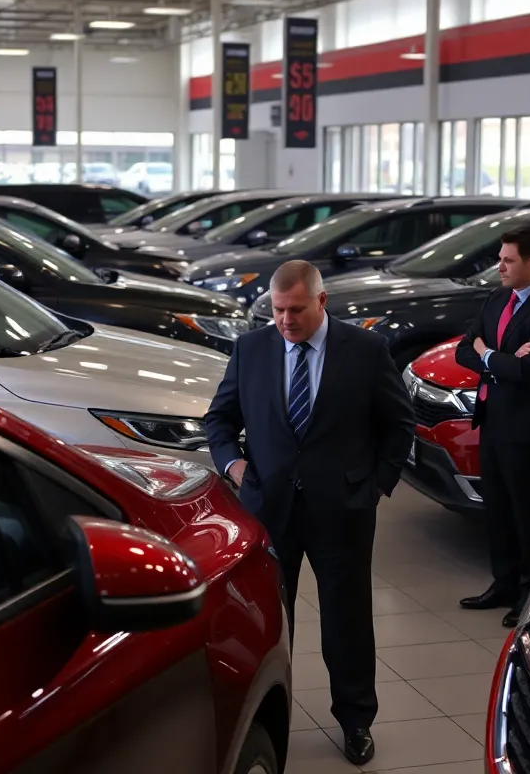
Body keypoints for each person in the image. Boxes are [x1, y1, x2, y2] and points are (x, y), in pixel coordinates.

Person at [204, 260, 414, 766]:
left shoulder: (364, 351)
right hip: (269, 508)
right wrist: (234, 468)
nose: (285, 320)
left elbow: (399, 423)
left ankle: (356, 720)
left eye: (295, 309)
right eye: (277, 310)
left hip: (342, 510)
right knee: (272, 621)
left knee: (347, 621)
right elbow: (219, 419)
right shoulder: (252, 349)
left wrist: (375, 487)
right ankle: (268, 716)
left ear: (322, 302)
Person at [455, 228, 530, 628]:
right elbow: (463, 349)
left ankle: (528, 591)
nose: (499, 266)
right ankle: (502, 583)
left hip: (524, 428)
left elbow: (527, 370)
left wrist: (489, 354)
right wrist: (493, 356)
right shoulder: (497, 297)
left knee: (526, 513)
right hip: (493, 420)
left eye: (508, 260)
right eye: (500, 258)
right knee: (498, 509)